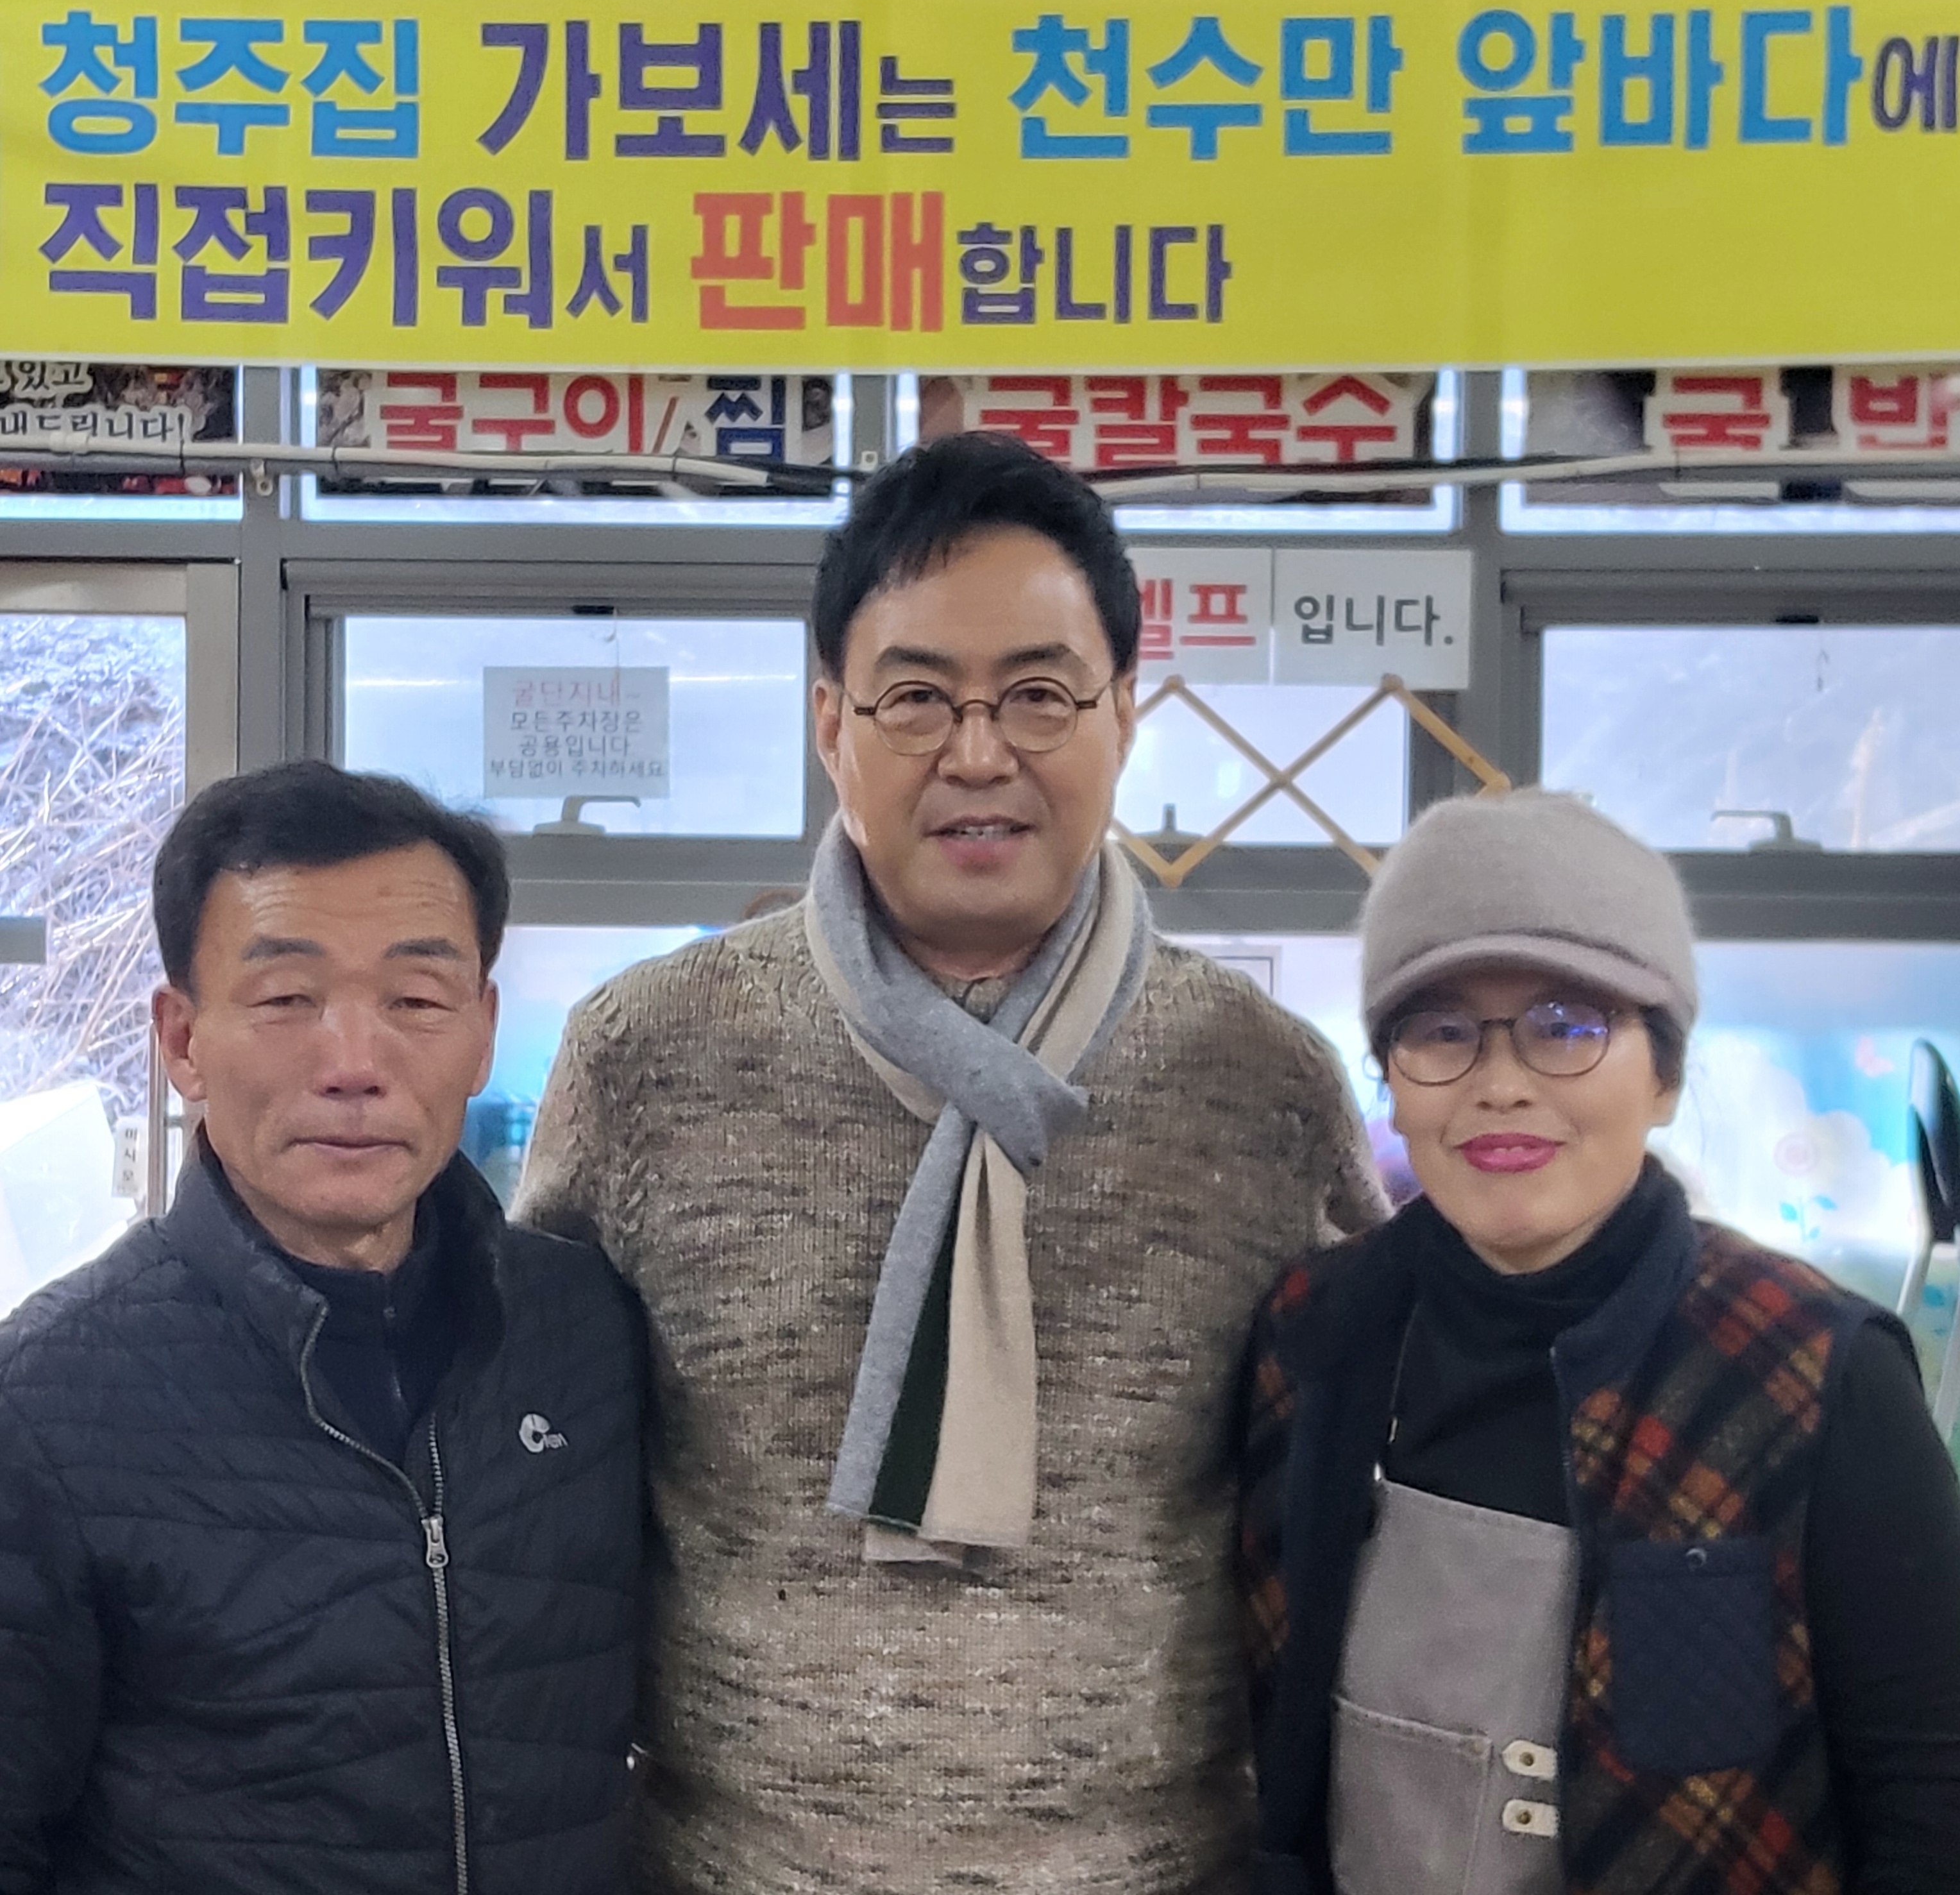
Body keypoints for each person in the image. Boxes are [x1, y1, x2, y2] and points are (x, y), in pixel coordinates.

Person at [518, 430, 1387, 1894]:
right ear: (830, 722)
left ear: (1125, 713)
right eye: (916, 696)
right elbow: (531, 1469)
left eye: (1039, 695)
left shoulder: (1260, 1081)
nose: (978, 753)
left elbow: (1359, 1482)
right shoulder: (646, 1052)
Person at [1240, 788, 1960, 1895]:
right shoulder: (1311, 1340)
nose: (1501, 1085)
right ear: (1390, 1079)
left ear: (1664, 1075)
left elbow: (1933, 1799)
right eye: (1440, 1031)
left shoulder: (1813, 1373)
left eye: (1567, 1025)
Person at [0, 761, 650, 1895]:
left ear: (483, 1032)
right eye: (287, 999)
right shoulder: (48, 1401)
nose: (354, 1065)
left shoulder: (585, 1331)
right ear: (182, 1040)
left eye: (417, 1000)